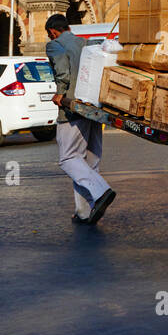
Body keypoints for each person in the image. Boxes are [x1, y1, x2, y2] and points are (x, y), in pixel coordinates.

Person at [44, 13, 116, 225]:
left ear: (52, 32)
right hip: (93, 108)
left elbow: (62, 72)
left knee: (68, 158)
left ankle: (101, 191)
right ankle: (84, 211)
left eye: (50, 35)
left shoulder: (55, 45)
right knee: (89, 161)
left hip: (72, 109)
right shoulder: (86, 43)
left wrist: (60, 93)